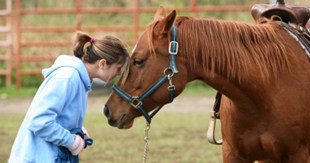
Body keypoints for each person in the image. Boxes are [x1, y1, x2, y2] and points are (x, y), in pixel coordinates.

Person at [8, 31, 130, 163]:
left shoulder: (81, 80)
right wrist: (71, 141)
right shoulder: (68, 78)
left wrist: (77, 129)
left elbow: (60, 116)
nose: (119, 73)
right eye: (118, 68)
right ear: (102, 64)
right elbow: (39, 120)